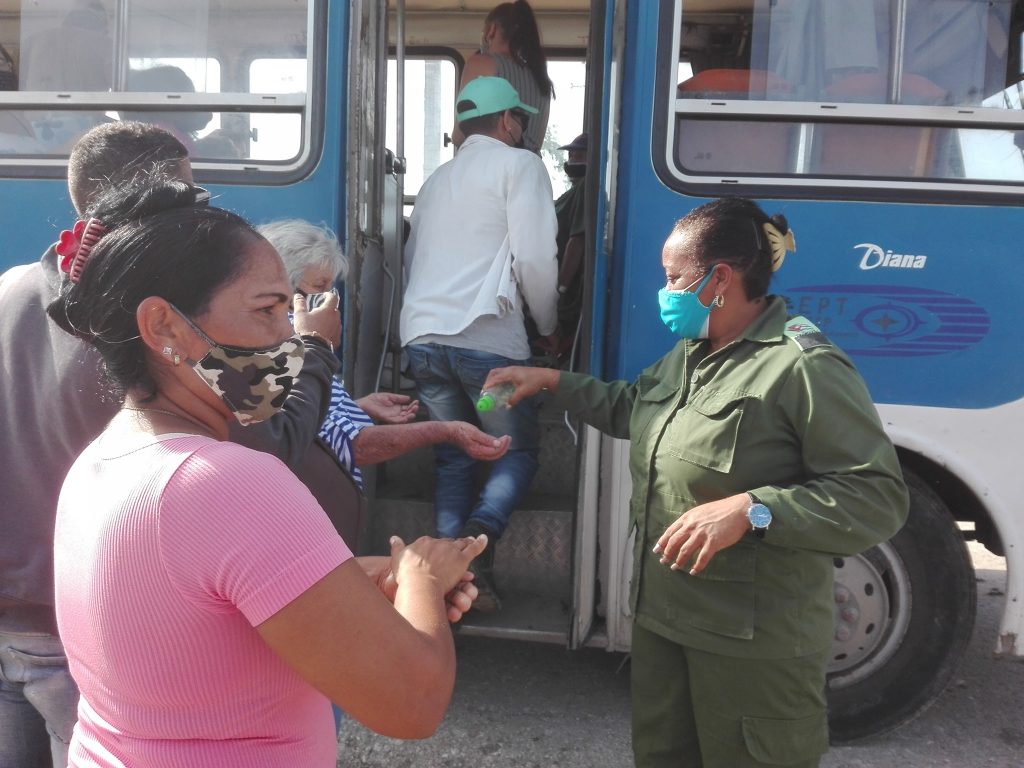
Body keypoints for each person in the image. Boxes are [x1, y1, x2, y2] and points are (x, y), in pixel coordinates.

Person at [46, 176, 487, 766]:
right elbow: (413, 703)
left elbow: (196, 602)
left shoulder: (102, 459)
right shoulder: (231, 481)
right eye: (269, 310)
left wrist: (359, 580)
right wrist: (423, 579)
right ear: (165, 328)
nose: (292, 338)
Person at [481, 197, 910, 767]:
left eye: (673, 277)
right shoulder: (692, 353)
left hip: (752, 645)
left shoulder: (802, 366)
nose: (666, 291)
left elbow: (875, 497)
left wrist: (754, 510)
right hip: (666, 622)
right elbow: (634, 407)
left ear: (720, 280)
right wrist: (552, 382)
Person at [0, 121, 340, 768]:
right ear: (158, 195)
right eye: (191, 191)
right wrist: (316, 349)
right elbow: (274, 445)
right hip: (91, 633)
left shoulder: (11, 288)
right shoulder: (145, 329)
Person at [401, 76, 559, 610]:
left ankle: (441, 574)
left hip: (426, 348)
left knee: (456, 453)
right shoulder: (520, 167)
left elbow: (412, 258)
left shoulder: (435, 181)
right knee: (509, 448)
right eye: (521, 121)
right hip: (487, 358)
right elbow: (536, 258)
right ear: (509, 121)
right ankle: (478, 543)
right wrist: (548, 323)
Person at [452, 0, 553, 154]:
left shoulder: (482, 63)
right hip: (529, 170)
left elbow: (459, 135)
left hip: (488, 169)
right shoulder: (542, 80)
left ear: (491, 30)